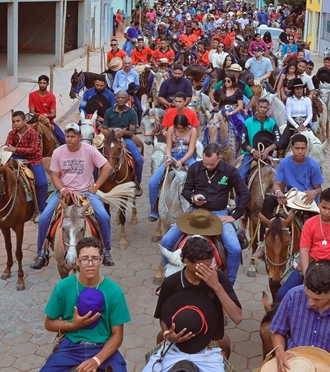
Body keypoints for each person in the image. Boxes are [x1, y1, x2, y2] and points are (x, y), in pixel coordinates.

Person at [275, 188, 330, 332]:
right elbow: (304, 250)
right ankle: (282, 329)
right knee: (281, 295)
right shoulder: (310, 223)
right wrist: (306, 272)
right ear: (319, 204)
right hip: (313, 265)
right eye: (323, 207)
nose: (326, 212)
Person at [145, 237, 242, 371]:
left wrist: (216, 286)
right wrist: (168, 334)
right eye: (201, 266)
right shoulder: (171, 283)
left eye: (209, 265)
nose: (207, 270)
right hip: (175, 346)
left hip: (208, 348)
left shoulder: (218, 279)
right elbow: (163, 315)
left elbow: (237, 317)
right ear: (186, 261)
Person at [32, 123, 115, 269]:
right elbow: (55, 175)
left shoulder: (90, 150)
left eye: (72, 136)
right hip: (63, 193)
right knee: (44, 218)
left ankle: (106, 251)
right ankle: (42, 253)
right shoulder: (58, 152)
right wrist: (62, 189)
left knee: (104, 216)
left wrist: (96, 186)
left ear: (80, 137)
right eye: (67, 136)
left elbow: (107, 167)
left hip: (86, 193)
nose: (69, 139)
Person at [41, 237, 130, 371]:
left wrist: (96, 360)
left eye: (95, 258)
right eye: (84, 259)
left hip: (103, 348)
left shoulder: (114, 291)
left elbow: (117, 336)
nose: (90, 263)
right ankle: (41, 252)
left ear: (101, 259)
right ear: (77, 261)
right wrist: (72, 326)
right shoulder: (63, 286)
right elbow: (48, 323)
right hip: (70, 348)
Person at [169, 143, 251, 285]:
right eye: (205, 163)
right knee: (166, 241)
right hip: (195, 212)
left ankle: (229, 284)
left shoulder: (229, 170)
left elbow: (245, 193)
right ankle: (169, 278)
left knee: (235, 249)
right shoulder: (195, 168)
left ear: (219, 158)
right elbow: (186, 190)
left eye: (211, 164)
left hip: (219, 214)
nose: (207, 166)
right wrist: (193, 197)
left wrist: (234, 216)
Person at [270, 262, 330, 372]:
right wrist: (280, 353)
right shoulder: (292, 296)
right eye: (307, 295)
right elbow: (278, 331)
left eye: (317, 299)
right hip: (292, 365)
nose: (310, 303)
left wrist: (317, 370)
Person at [255, 134, 322, 258]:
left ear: (307, 148)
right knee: (268, 200)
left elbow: (318, 188)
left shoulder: (313, 165)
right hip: (290, 196)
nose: (300, 151)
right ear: (291, 148)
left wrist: (314, 192)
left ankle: (317, 248)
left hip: (307, 198)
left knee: (317, 219)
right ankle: (262, 243)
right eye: (297, 148)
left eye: (303, 148)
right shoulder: (285, 163)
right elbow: (276, 184)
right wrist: (279, 193)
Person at [148, 114, 199, 222]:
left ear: (186, 125)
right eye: (178, 128)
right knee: (152, 182)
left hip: (188, 158)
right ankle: (154, 209)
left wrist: (182, 161)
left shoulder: (193, 131)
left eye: (182, 128)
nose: (179, 130)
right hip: (173, 157)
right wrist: (168, 158)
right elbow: (168, 147)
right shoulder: (171, 129)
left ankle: (199, 203)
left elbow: (191, 150)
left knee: (198, 177)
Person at [5, 110, 48, 214]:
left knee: (42, 183)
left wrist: (16, 149)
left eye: (18, 121)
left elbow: (33, 150)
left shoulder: (33, 133)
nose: (15, 124)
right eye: (14, 121)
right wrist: (9, 150)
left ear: (24, 121)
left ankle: (41, 209)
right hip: (17, 159)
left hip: (33, 160)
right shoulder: (11, 134)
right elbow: (7, 147)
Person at [102, 91, 144, 195]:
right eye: (118, 97)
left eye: (123, 98)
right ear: (115, 99)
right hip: (110, 139)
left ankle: (137, 183)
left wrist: (118, 132)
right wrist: (114, 132)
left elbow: (131, 132)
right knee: (95, 157)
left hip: (125, 138)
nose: (120, 99)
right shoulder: (108, 112)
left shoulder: (132, 113)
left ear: (127, 100)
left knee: (138, 159)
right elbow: (105, 128)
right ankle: (96, 183)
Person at [238, 98, 279, 182]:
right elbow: (244, 142)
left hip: (268, 154)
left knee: (283, 174)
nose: (262, 109)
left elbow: (278, 140)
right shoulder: (248, 122)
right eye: (260, 107)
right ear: (256, 108)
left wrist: (267, 150)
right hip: (250, 154)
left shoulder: (272, 122)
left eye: (264, 107)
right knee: (241, 177)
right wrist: (253, 151)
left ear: (268, 109)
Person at [28, 74, 66, 145]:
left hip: (49, 122)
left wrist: (45, 116)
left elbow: (53, 114)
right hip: (35, 121)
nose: (42, 85)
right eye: (40, 83)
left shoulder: (51, 96)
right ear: (38, 83)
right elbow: (31, 112)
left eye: (44, 83)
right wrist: (40, 117)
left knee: (64, 140)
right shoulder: (32, 95)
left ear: (47, 84)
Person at [276, 82, 313, 151]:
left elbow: (310, 115)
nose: (299, 91)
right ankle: (281, 154)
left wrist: (303, 125)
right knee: (283, 143)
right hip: (292, 126)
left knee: (315, 141)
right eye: (297, 89)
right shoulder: (289, 100)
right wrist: (296, 126)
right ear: (293, 90)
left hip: (305, 124)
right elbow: (288, 115)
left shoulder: (307, 100)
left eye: (301, 88)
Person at [112, 57, 143, 124]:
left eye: (129, 63)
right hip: (119, 93)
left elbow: (137, 85)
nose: (127, 65)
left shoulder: (135, 74)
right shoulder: (118, 73)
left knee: (139, 108)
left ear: (131, 64)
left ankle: (139, 123)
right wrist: (119, 93)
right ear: (123, 64)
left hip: (131, 94)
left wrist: (132, 91)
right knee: (111, 107)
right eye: (125, 63)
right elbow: (114, 86)